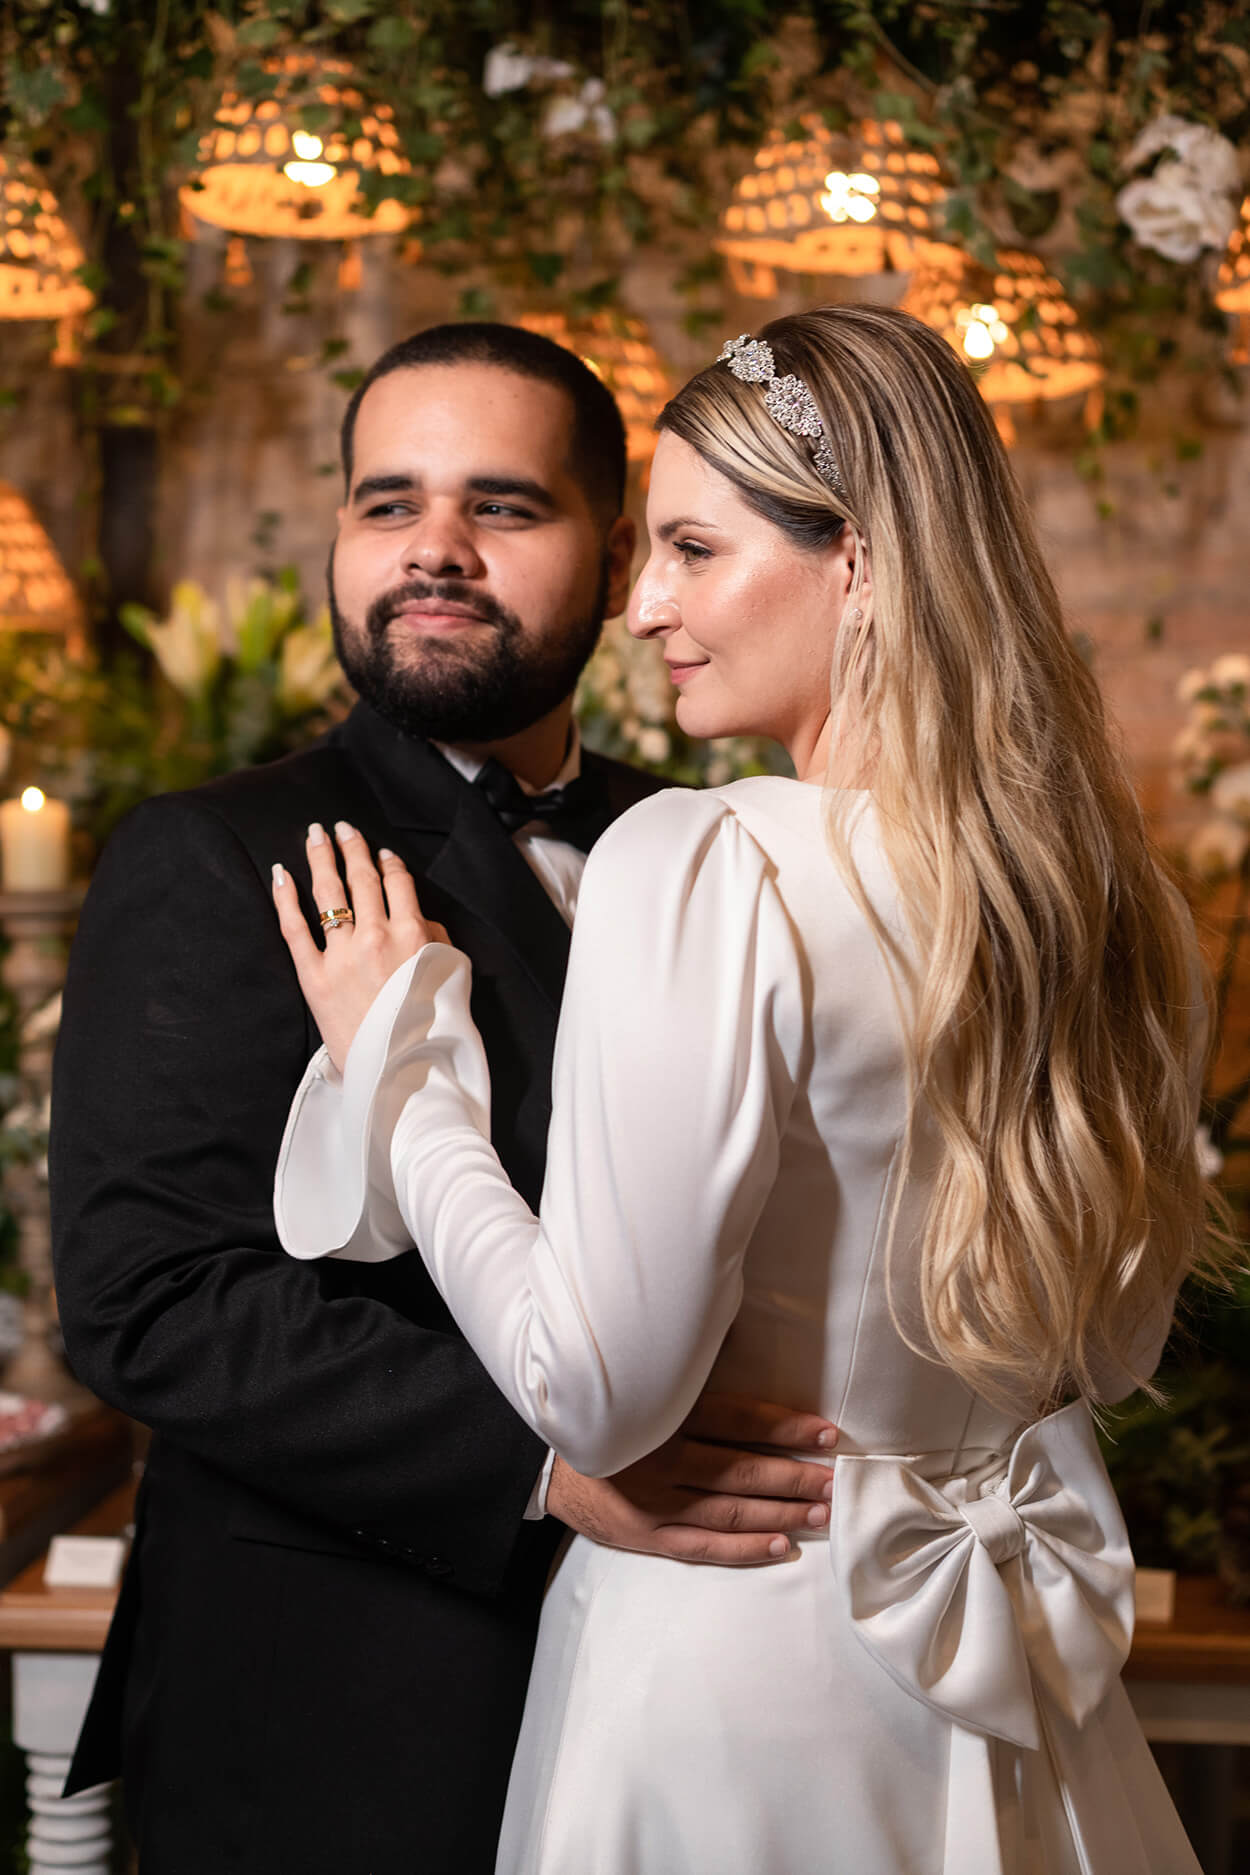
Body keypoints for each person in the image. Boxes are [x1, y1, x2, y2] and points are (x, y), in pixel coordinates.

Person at [270, 305, 1215, 1873]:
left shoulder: (708, 862)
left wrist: (407, 1076)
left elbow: (591, 1395)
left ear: (862, 563)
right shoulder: (1123, 913)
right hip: (1019, 1674)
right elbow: (1108, 1353)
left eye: (694, 551)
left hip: (728, 1678)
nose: (645, 605)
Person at [48, 322, 839, 1875]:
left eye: (503, 505)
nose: (433, 549)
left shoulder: (711, 843)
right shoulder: (215, 852)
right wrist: (550, 1467)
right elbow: (150, 1298)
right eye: (387, 503)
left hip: (688, 1681)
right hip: (333, 1703)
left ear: (619, 559)